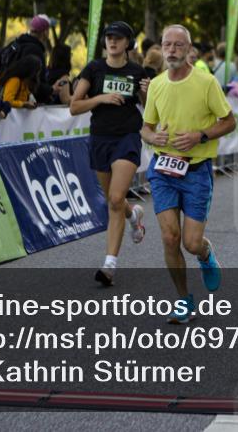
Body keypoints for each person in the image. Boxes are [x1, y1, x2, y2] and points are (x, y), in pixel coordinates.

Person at [140, 24, 236, 323]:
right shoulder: (156, 85)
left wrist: (200, 136)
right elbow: (147, 127)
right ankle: (184, 301)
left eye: (178, 45)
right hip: (163, 169)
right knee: (170, 238)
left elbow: (229, 121)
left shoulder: (206, 82)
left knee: (191, 243)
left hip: (195, 170)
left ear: (188, 49)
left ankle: (205, 254)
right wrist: (151, 137)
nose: (171, 50)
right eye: (167, 44)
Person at [71, 21, 149, 287]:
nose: (112, 42)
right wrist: (101, 98)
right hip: (100, 138)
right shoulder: (94, 69)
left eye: (118, 38)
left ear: (127, 42)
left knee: (116, 197)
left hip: (127, 137)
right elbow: (74, 106)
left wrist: (148, 95)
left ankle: (109, 265)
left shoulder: (137, 71)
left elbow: (149, 111)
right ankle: (133, 216)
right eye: (108, 37)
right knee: (113, 201)